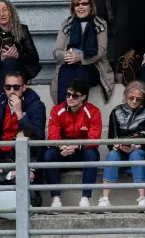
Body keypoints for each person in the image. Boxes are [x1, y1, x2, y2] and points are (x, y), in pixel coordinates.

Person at [0, 71, 45, 229]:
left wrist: (19, 112)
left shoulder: (36, 105)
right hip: (1, 156)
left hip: (23, 158)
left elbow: (37, 136)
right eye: (8, 87)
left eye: (16, 87)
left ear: (24, 87)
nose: (11, 91)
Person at [44, 79, 102, 209]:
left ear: (83, 97)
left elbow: (94, 139)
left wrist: (76, 146)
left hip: (82, 151)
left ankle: (85, 198)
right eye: (68, 94)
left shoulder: (93, 112)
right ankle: (56, 198)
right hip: (63, 150)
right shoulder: (57, 110)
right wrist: (61, 146)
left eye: (75, 95)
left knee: (92, 154)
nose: (70, 98)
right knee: (49, 155)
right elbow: (52, 135)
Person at [51, 0, 113, 104]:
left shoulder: (99, 23)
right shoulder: (67, 24)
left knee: (78, 71)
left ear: (91, 6)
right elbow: (56, 51)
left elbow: (101, 50)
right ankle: (63, 112)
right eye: (77, 4)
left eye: (84, 3)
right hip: (70, 64)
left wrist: (79, 57)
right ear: (73, 7)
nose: (80, 7)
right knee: (65, 70)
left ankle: (76, 110)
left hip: (94, 66)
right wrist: (68, 56)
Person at [101, 81, 145, 207]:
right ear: (125, 96)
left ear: (144, 99)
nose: (134, 101)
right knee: (112, 155)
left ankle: (142, 197)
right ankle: (104, 198)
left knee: (136, 155)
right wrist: (116, 145)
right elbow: (110, 140)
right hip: (120, 151)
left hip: (139, 150)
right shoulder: (116, 111)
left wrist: (137, 146)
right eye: (131, 98)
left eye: (138, 99)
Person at [0, 0, 41, 92]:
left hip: (19, 69)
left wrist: (18, 55)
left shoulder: (23, 29)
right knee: (8, 62)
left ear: (11, 12)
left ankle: (3, 100)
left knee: (10, 62)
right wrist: (1, 59)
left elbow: (34, 57)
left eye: (5, 10)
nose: (2, 14)